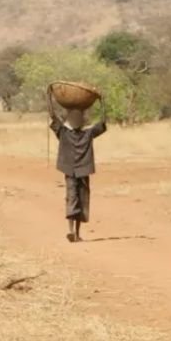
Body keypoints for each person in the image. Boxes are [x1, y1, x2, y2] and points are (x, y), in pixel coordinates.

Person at [47, 91, 107, 243]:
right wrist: (49, 98)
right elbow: (52, 116)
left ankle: (77, 234)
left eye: (78, 118)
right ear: (69, 120)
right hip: (70, 171)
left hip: (83, 171)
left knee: (82, 200)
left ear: (82, 121)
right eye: (73, 118)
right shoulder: (63, 132)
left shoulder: (88, 134)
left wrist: (102, 102)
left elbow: (103, 123)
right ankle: (71, 231)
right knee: (72, 198)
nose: (76, 120)